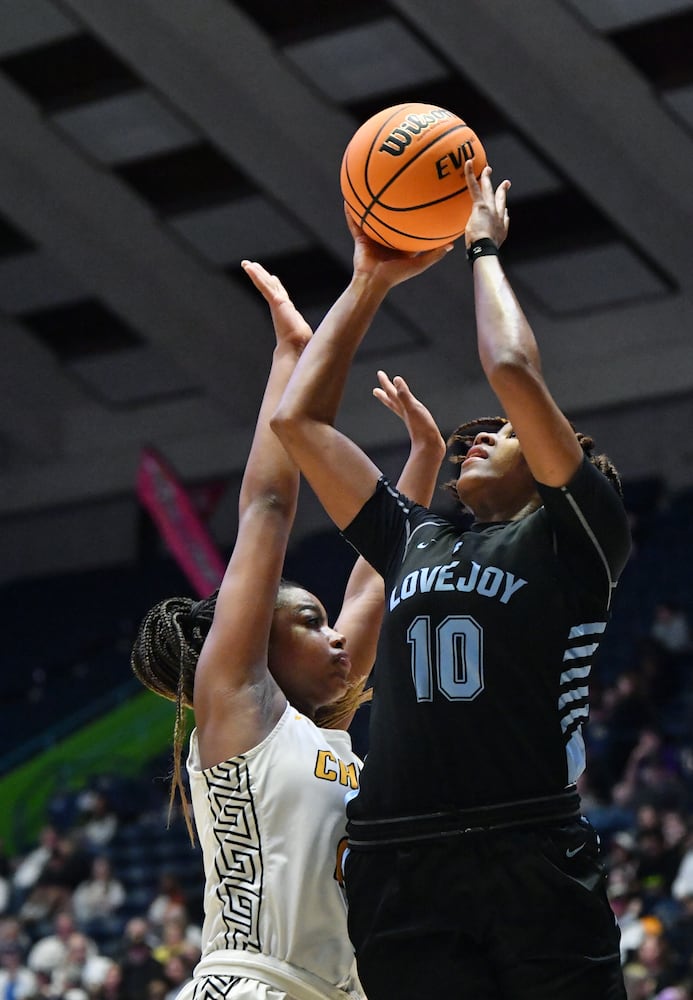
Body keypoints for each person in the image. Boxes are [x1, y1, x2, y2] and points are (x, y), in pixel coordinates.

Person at [270, 157, 632, 999]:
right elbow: (298, 420)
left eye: (496, 435)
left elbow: (511, 369)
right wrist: (367, 278)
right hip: (399, 855)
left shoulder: (575, 537)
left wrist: (481, 249)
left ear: (562, 466)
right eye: (468, 436)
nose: (473, 438)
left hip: (529, 846)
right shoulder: (418, 538)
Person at [130, 261, 445, 1000]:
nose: (336, 637)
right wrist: (289, 355)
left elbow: (378, 577)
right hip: (253, 986)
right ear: (255, 645)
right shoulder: (238, 704)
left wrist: (422, 462)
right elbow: (267, 504)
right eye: (310, 622)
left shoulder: (322, 734)